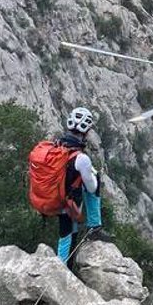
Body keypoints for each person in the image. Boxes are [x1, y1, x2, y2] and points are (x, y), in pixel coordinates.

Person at [57, 105, 102, 264]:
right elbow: (92, 188)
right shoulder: (81, 158)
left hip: (56, 199)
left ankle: (65, 269)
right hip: (69, 204)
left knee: (67, 236)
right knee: (67, 239)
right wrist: (94, 176)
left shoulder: (56, 147)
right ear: (87, 131)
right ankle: (94, 226)